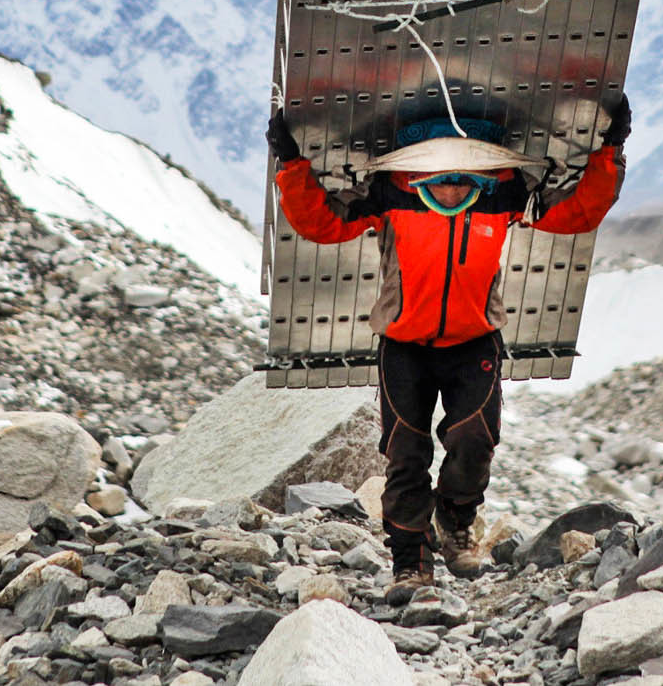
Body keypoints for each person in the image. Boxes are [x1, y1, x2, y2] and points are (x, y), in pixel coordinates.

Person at [267, 96, 631, 600]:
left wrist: (612, 150)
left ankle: (455, 517)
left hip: (475, 340)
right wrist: (289, 162)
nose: (454, 178)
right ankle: (410, 559)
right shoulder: (388, 194)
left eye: (466, 167)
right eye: (441, 166)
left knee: (475, 441)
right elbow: (322, 222)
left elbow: (576, 213)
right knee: (405, 453)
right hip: (403, 346)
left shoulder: (504, 195)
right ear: (417, 166)